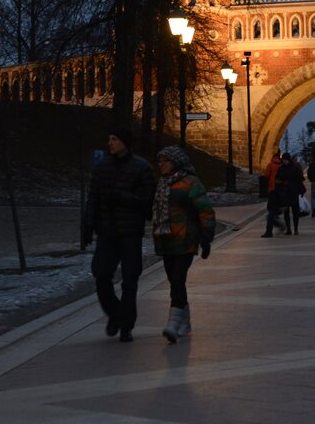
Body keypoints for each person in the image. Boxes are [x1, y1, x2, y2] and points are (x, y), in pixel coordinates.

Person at [82, 126, 156, 342]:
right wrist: (88, 225)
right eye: (109, 139)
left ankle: (127, 326)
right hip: (107, 231)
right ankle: (116, 314)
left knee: (130, 279)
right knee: (101, 275)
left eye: (114, 139)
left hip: (130, 232)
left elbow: (147, 203)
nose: (110, 143)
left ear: (124, 142)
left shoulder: (141, 168)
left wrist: (122, 197)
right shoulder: (102, 167)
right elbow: (93, 198)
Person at [152, 146, 216, 344]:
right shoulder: (162, 184)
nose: (161, 164)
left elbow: (205, 211)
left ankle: (173, 324)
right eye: (160, 161)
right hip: (166, 241)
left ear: (176, 162)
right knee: (174, 281)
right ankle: (185, 322)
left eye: (165, 160)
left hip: (186, 240)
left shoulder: (191, 183)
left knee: (178, 280)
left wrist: (206, 238)